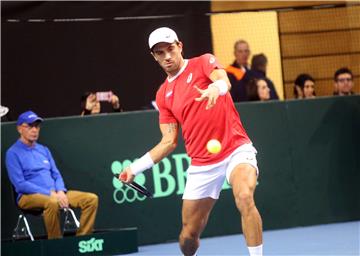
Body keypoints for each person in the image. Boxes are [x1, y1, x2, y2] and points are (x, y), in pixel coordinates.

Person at [119, 27, 263, 256]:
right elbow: (168, 142)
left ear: (180, 46)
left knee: (245, 196)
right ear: (154, 57)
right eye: (160, 52)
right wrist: (134, 168)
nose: (167, 56)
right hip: (202, 164)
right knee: (188, 237)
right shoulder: (162, 94)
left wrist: (216, 88)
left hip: (236, 148)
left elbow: (222, 79)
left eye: (170, 49)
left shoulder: (204, 62)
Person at [5, 110, 99, 239]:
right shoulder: (12, 153)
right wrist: (50, 193)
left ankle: (82, 241)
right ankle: (55, 245)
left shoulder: (43, 150)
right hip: (27, 197)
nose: (34, 130)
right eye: (30, 126)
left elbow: (56, 174)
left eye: (37, 126)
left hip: (55, 194)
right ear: (19, 129)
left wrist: (60, 191)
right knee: (52, 202)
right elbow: (20, 184)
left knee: (91, 199)